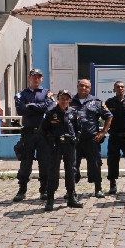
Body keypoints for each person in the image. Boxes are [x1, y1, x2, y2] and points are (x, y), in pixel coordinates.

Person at [13, 68, 54, 202]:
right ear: (29, 78)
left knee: (45, 162)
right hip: (28, 134)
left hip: (43, 134)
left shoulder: (47, 93)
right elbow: (20, 110)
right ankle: (22, 190)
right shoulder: (21, 94)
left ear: (42, 79)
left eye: (38, 77)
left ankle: (44, 190)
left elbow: (49, 107)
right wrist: (39, 107)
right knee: (25, 162)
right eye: (34, 77)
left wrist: (31, 106)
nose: (36, 79)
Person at [41, 89, 83, 211]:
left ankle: (71, 197)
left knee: (71, 170)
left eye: (66, 98)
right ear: (58, 99)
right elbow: (43, 130)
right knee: (53, 171)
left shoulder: (73, 113)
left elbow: (78, 129)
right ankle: (50, 199)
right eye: (62, 98)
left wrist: (75, 139)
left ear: (70, 100)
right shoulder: (51, 113)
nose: (64, 101)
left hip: (69, 145)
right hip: (56, 145)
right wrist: (51, 141)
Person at [71, 79, 112, 198]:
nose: (84, 88)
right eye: (81, 86)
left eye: (87, 86)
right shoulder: (70, 101)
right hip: (74, 140)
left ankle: (98, 189)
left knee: (95, 165)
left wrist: (103, 132)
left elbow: (109, 116)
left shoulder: (97, 102)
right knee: (72, 165)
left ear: (90, 88)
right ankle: (71, 190)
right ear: (77, 86)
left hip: (91, 139)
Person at [104, 81, 125, 195]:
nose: (120, 88)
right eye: (117, 87)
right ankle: (112, 184)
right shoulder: (109, 102)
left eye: (122, 87)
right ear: (114, 89)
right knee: (112, 161)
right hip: (114, 136)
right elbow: (104, 117)